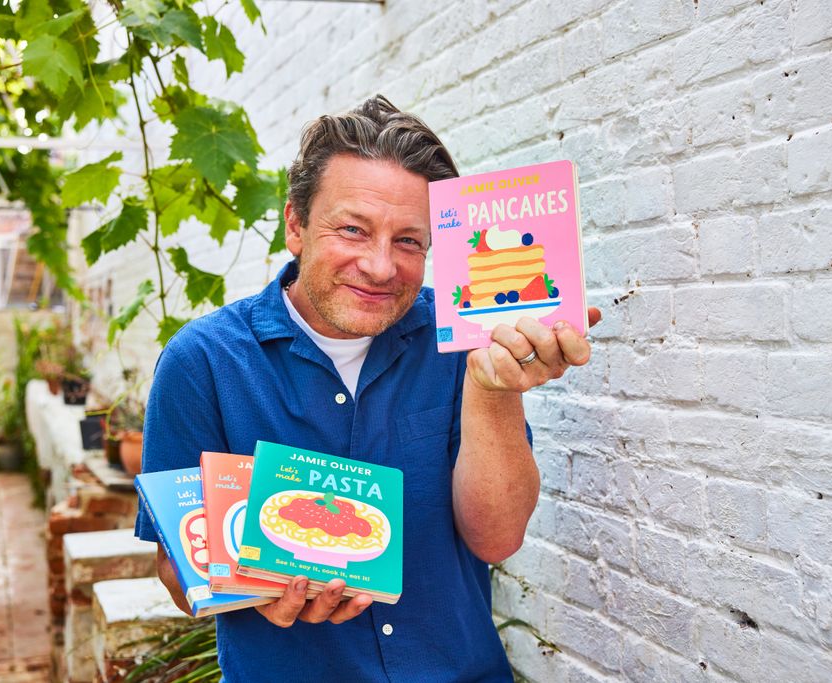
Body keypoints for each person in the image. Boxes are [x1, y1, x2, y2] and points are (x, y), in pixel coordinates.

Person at [134, 95, 601, 682]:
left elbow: (498, 537)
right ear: (296, 226)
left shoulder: (463, 344)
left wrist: (494, 388)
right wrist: (248, 588)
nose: (381, 267)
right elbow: (178, 572)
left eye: (409, 241)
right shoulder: (201, 362)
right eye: (353, 229)